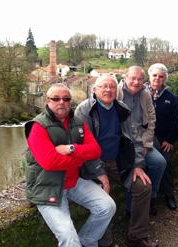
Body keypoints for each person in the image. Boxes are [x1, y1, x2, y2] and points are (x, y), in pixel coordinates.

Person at [24, 83, 116, 247]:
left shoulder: (78, 123)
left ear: (70, 102)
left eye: (66, 99)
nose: (61, 102)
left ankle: (87, 241)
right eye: (56, 98)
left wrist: (71, 148)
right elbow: (50, 162)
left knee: (107, 206)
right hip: (47, 186)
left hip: (73, 181)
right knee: (68, 237)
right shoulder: (37, 127)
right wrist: (80, 158)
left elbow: (95, 150)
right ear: (48, 101)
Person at [75, 75, 159, 247]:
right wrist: (99, 172)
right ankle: (105, 242)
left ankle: (137, 236)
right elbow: (82, 147)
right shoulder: (84, 111)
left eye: (112, 87)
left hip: (118, 162)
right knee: (103, 198)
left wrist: (137, 165)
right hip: (92, 164)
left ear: (117, 90)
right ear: (94, 90)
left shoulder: (122, 109)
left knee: (143, 186)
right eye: (103, 86)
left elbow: (134, 139)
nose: (108, 90)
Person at [117, 65, 167, 216]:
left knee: (159, 162)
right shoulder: (116, 93)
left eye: (140, 79)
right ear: (125, 78)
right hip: (123, 142)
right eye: (133, 78)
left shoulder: (145, 95)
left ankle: (150, 199)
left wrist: (146, 143)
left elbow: (151, 120)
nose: (136, 82)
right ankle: (130, 208)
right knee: (132, 168)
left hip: (141, 140)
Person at [146, 63, 178, 210]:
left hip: (162, 140)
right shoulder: (141, 93)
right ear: (149, 76)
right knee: (146, 167)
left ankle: (168, 195)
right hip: (145, 139)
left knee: (166, 165)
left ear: (165, 78)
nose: (157, 79)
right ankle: (150, 199)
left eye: (161, 76)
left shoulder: (170, 97)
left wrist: (170, 140)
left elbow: (175, 121)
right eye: (154, 75)